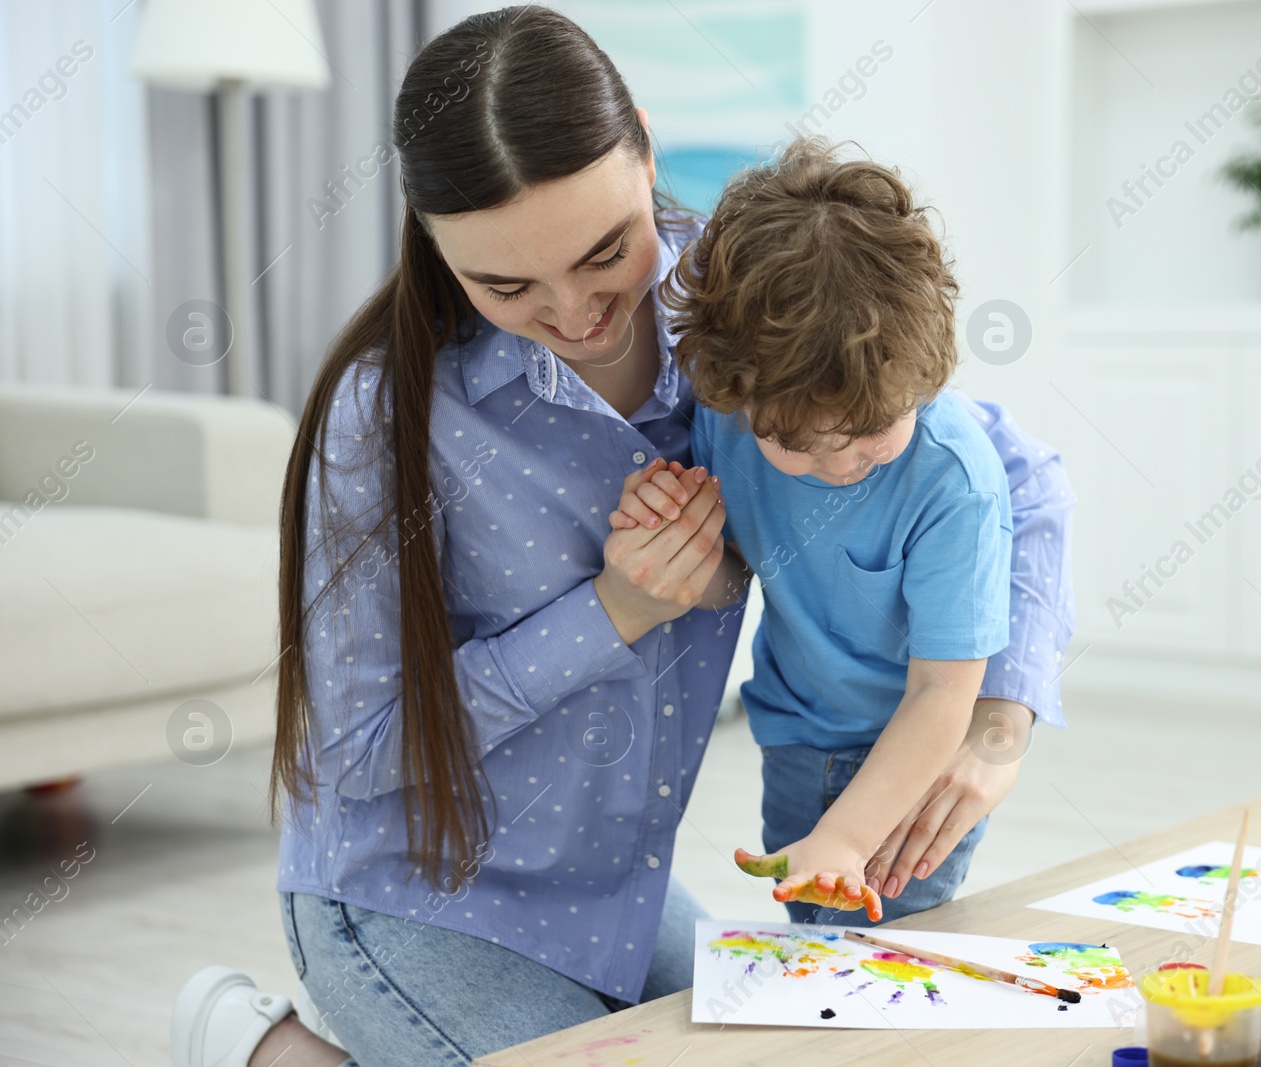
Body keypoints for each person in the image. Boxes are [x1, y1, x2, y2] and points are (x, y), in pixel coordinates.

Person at [169, 6, 1074, 1067]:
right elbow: (358, 751)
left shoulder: (736, 301)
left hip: (616, 899)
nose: (578, 311)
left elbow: (1013, 471)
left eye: (606, 250)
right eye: (504, 284)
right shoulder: (387, 418)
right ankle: (270, 1048)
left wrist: (995, 715)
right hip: (416, 896)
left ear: (643, 149)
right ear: (430, 235)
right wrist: (614, 612)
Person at [609, 138, 1012, 926]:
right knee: (817, 953)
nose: (839, 465)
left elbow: (942, 693)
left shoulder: (952, 480)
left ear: (922, 374)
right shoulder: (727, 422)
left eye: (869, 430)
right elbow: (730, 578)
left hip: (914, 765)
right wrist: (673, 533)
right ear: (735, 390)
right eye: (795, 442)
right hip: (792, 737)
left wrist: (850, 834)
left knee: (883, 962)